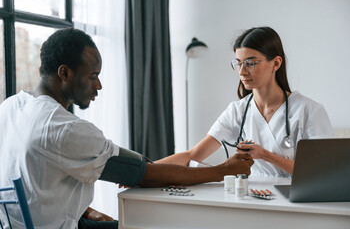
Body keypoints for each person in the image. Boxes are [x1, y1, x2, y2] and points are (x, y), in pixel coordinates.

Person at [0, 28, 253, 229]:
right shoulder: (64, 128)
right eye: (92, 76)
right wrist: (222, 171)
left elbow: (34, 177)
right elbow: (146, 174)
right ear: (64, 73)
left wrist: (83, 210)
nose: (98, 85)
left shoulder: (10, 107)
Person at [157, 26, 333, 177]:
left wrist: (265, 155)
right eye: (238, 63)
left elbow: (319, 172)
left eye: (250, 63)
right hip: (251, 197)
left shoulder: (309, 111)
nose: (242, 71)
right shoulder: (237, 110)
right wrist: (146, 170)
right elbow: (193, 155)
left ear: (276, 63)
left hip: (296, 199)